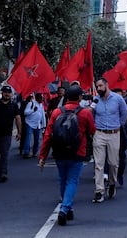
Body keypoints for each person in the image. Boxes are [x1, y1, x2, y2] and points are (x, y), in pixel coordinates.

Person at [39, 85, 97, 227]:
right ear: (80, 97)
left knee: (63, 179)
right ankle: (64, 209)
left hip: (59, 151)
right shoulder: (85, 113)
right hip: (77, 151)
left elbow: (48, 135)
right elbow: (92, 130)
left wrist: (43, 156)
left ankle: (68, 207)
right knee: (72, 180)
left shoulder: (56, 112)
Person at [91, 77, 127, 202]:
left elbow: (125, 114)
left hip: (114, 134)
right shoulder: (96, 100)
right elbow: (91, 114)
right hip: (99, 133)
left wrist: (117, 126)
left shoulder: (118, 99)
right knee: (99, 164)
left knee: (113, 163)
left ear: (106, 85)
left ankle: (112, 183)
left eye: (100, 86)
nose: (98, 88)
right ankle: (99, 191)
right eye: (97, 86)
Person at [0, 84, 22, 182]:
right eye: (5, 92)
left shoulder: (14, 105)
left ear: (11, 94)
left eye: (9, 93)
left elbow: (18, 118)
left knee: (4, 154)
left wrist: (19, 132)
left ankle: (3, 173)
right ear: (2, 93)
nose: (7, 94)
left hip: (6, 134)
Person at [22, 93, 47, 159]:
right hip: (29, 123)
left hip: (38, 125)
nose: (42, 100)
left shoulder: (41, 105)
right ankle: (26, 152)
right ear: (37, 98)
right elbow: (25, 112)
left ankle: (34, 152)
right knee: (28, 139)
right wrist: (33, 110)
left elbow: (42, 115)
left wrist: (44, 125)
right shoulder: (31, 103)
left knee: (37, 140)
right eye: (41, 98)